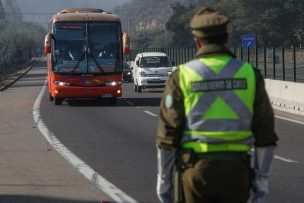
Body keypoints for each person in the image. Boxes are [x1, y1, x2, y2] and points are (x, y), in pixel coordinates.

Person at [156, 7, 278, 203]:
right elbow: (265, 134)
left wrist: (164, 180)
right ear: (227, 38)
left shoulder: (182, 76)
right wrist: (261, 180)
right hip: (237, 172)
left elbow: (167, 135)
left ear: (196, 41)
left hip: (195, 172)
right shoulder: (249, 74)